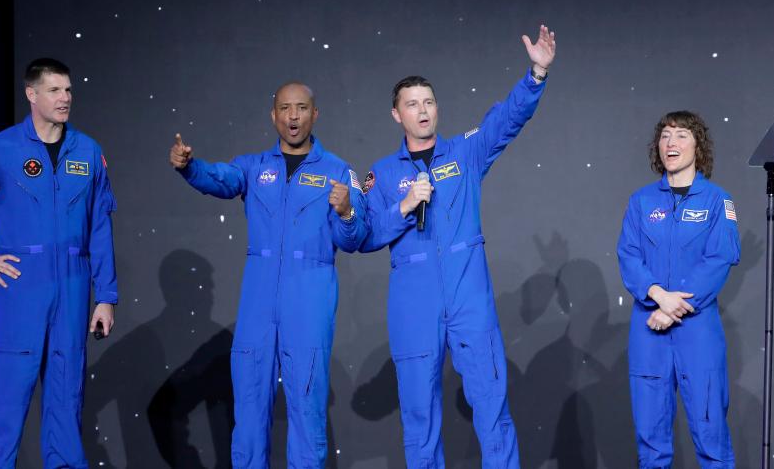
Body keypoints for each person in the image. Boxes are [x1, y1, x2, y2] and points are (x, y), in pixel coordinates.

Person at [362, 24, 556, 468]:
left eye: (429, 102)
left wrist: (536, 75)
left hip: (469, 299)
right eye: (412, 105)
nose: (423, 110)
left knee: (491, 409)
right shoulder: (382, 174)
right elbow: (364, 236)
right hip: (414, 305)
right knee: (419, 419)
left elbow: (505, 120)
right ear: (397, 115)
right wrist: (404, 207)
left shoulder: (464, 153)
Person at [169, 81, 368, 468]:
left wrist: (346, 211)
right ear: (273, 115)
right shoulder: (253, 167)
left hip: (309, 298)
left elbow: (354, 238)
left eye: (302, 108)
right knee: (248, 410)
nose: (293, 116)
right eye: (285, 108)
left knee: (307, 412)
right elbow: (219, 179)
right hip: (259, 303)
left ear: (315, 114)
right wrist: (190, 167)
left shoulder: (338, 171)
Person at [0, 58, 118, 468]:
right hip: (19, 292)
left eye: (68, 90)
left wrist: (106, 296)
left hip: (72, 290)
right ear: (31, 95)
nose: (65, 98)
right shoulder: (0, 149)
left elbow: (99, 227)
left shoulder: (87, 151)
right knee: (5, 410)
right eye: (54, 90)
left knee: (65, 409)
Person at [616, 111, 741, 468]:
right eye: (666, 135)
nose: (672, 143)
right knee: (651, 443)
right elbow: (628, 255)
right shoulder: (641, 202)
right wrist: (657, 294)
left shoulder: (717, 201)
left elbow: (719, 258)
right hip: (649, 330)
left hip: (696, 329)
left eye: (682, 135)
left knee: (711, 435)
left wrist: (672, 306)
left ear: (698, 146)